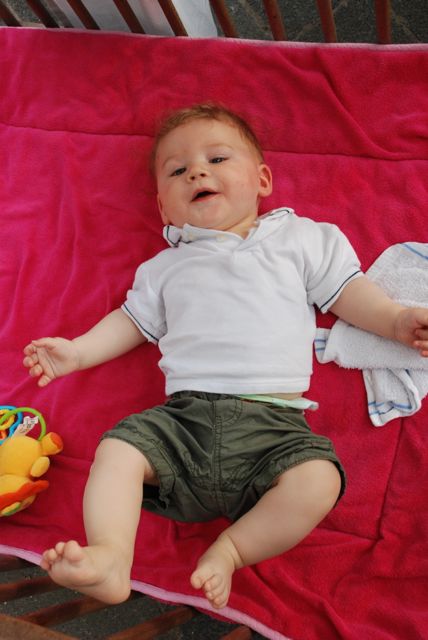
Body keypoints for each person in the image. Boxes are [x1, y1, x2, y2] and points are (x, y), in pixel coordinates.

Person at [23, 103, 428, 610]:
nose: (197, 171)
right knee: (118, 451)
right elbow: (130, 322)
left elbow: (347, 292)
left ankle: (232, 549)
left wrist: (394, 320)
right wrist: (77, 352)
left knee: (319, 479)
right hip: (181, 424)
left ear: (262, 180)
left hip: (274, 428)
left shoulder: (299, 239)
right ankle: (111, 555)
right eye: (177, 170)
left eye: (217, 159)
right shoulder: (164, 268)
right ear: (164, 208)